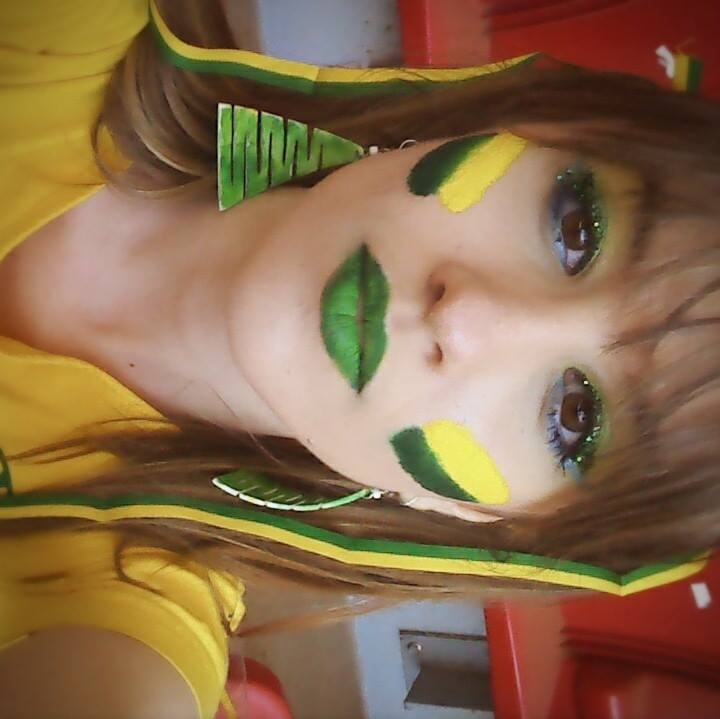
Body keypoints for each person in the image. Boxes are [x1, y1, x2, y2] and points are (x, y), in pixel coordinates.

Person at [0, 1, 718, 717]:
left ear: (477, 515)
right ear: (516, 122)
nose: (467, 315)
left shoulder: (126, 612)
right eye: (576, 228)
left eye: (574, 415)